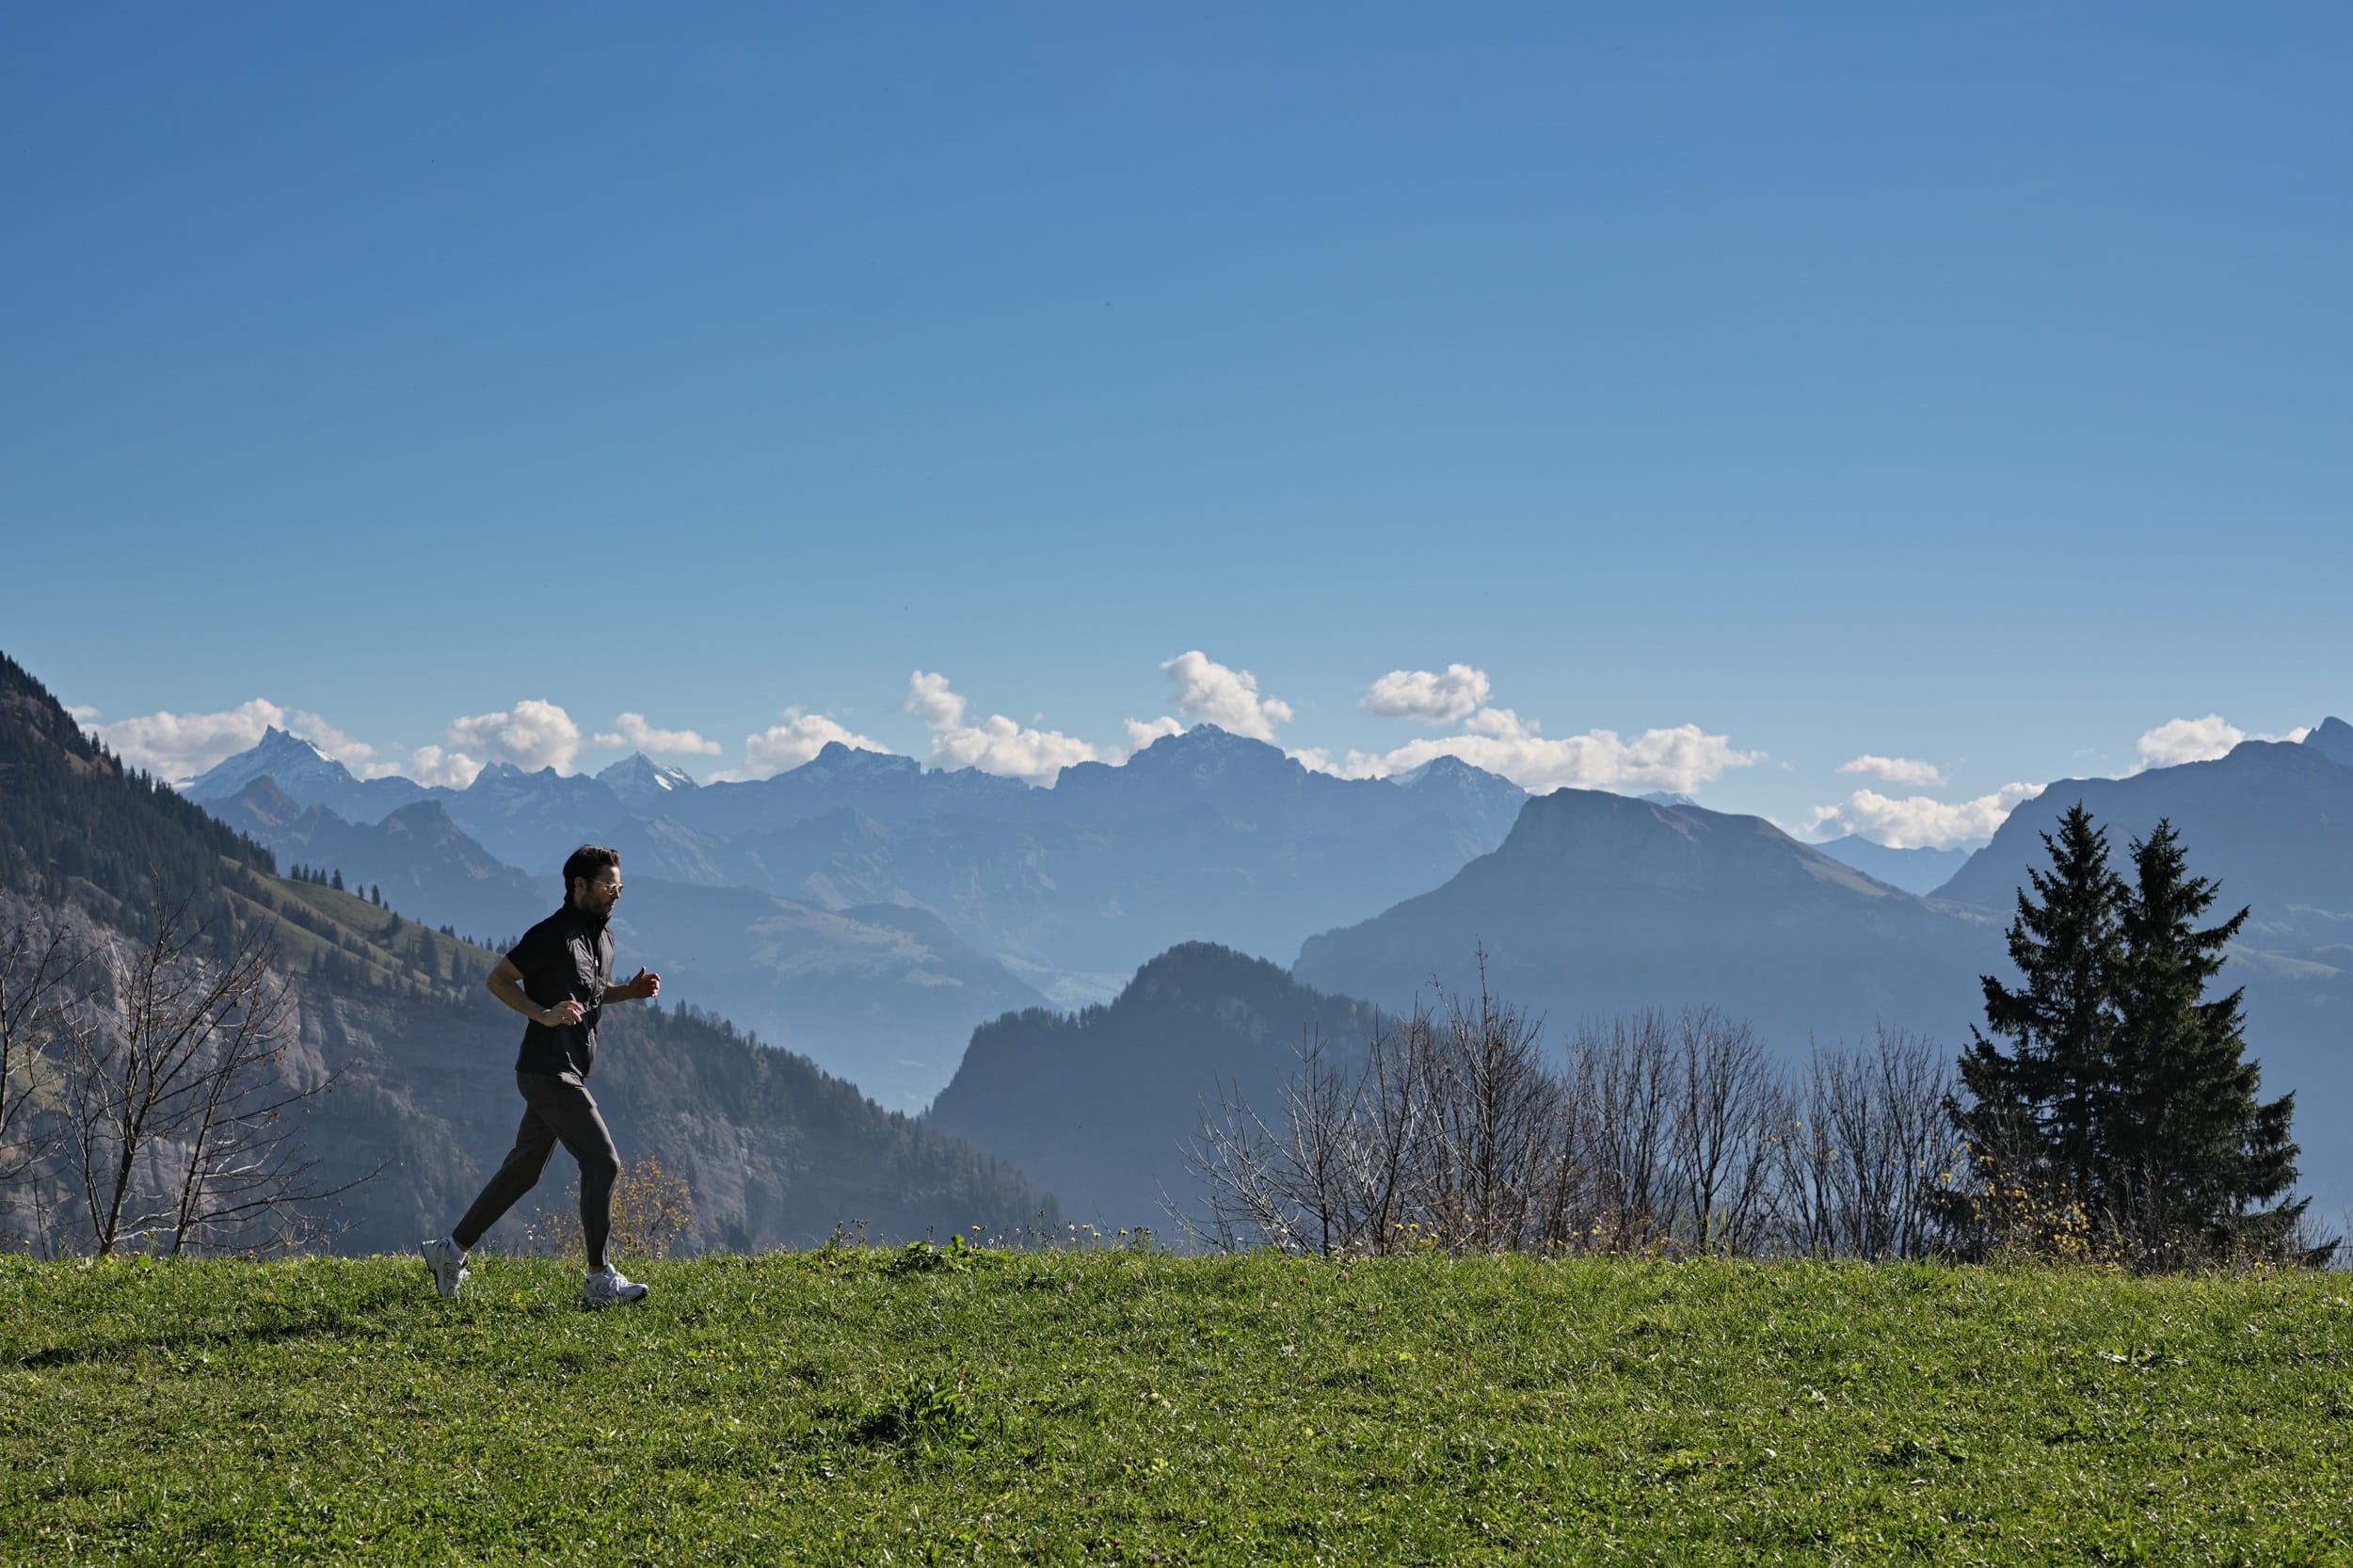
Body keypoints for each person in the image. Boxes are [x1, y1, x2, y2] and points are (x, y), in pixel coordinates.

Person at [421, 845, 663, 1306]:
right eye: (609, 887)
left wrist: (626, 993)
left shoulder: (604, 939)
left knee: (524, 1171)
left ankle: (449, 1251)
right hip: (548, 1070)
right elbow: (499, 979)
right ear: (578, 886)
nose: (617, 895)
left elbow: (589, 994)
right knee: (603, 1162)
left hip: (567, 1069)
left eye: (620, 887)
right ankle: (598, 1279)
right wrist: (543, 1015)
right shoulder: (551, 933)